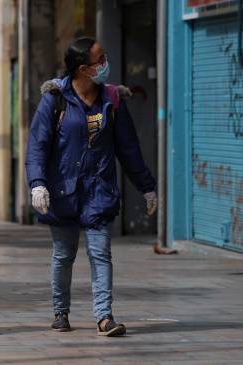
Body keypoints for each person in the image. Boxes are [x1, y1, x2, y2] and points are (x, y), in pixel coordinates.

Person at [25, 37, 157, 337]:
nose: (105, 64)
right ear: (83, 69)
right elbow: (37, 147)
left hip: (99, 191)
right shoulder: (54, 99)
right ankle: (61, 311)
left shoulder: (112, 99)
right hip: (62, 193)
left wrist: (147, 187)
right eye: (100, 60)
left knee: (100, 253)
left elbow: (129, 149)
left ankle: (104, 316)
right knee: (63, 255)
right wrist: (37, 184)